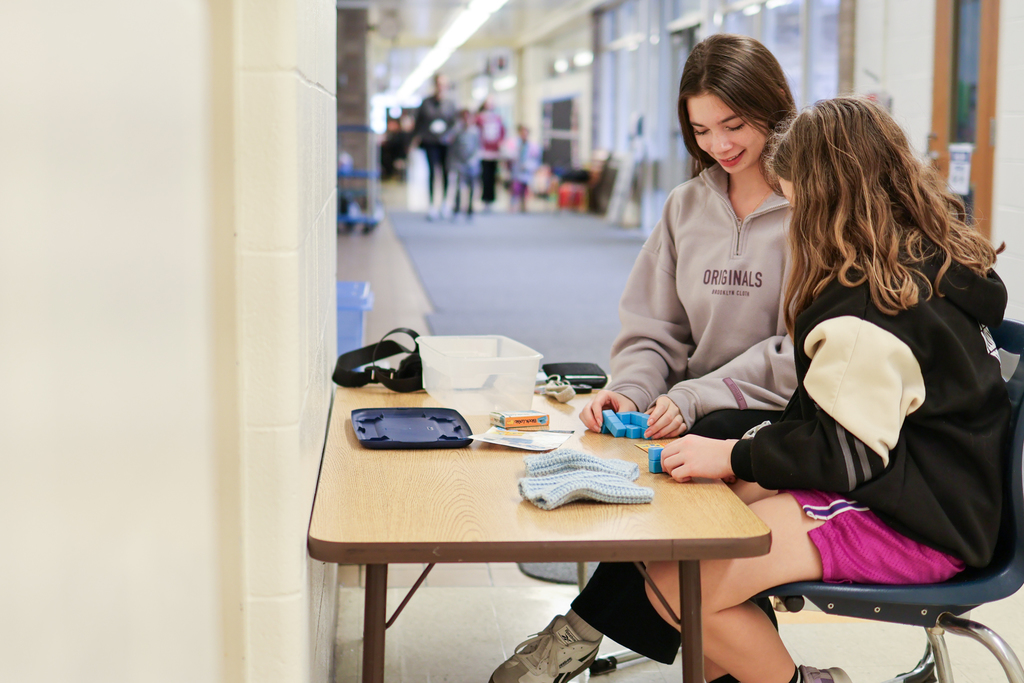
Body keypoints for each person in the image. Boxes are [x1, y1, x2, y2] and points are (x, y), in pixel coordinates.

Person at [641, 96, 1010, 683]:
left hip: (916, 524)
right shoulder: (924, 262)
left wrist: (736, 454)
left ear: (826, 202)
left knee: (675, 585)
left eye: (793, 201)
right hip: (934, 491)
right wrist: (749, 460)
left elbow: (850, 455)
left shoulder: (866, 312)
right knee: (694, 528)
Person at [489, 34, 798, 683]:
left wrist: (692, 398)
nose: (720, 144)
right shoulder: (687, 206)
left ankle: (579, 630)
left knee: (684, 472)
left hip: (783, 420)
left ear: (773, 106)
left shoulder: (813, 209)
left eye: (734, 124)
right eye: (703, 128)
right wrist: (629, 392)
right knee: (635, 458)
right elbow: (655, 328)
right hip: (691, 414)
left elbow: (804, 351)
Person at [411, 73, 457, 220]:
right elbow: (418, 123)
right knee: (432, 172)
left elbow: (455, 124)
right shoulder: (426, 103)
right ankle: (431, 205)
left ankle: (444, 203)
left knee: (445, 172)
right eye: (438, 83)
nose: (441, 87)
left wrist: (449, 136)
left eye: (443, 84)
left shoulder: (450, 104)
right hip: (430, 142)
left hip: (446, 143)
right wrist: (414, 140)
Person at [446, 108, 482, 220]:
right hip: (458, 162)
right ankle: (456, 208)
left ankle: (470, 208)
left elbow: (477, 147)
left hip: (471, 163)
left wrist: (473, 160)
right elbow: (452, 147)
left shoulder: (475, 131)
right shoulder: (457, 131)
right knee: (458, 186)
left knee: (471, 186)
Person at [477, 96, 506, 211]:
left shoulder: (498, 118)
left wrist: (500, 144)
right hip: (483, 152)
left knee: (494, 177)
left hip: (495, 153)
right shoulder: (479, 118)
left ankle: (492, 199)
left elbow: (503, 132)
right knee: (485, 177)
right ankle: (484, 199)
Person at [508, 124, 541, 213]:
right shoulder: (514, 144)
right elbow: (509, 155)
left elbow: (536, 160)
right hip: (516, 170)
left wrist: (530, 166)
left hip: (527, 170)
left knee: (525, 189)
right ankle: (513, 206)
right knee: (515, 189)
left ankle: (524, 206)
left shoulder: (533, 146)